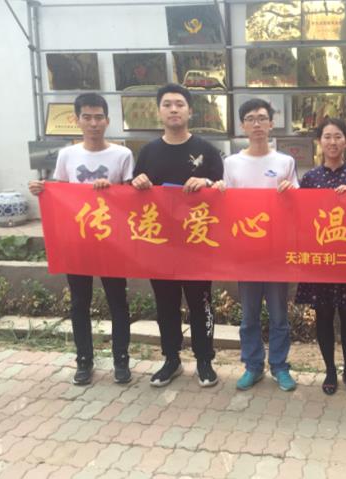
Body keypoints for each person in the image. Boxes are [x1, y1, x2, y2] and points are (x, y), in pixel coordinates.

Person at [29, 93, 133, 385]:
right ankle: (84, 360)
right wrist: (43, 189)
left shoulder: (122, 155)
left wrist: (112, 189)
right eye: (87, 117)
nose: (93, 123)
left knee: (118, 301)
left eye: (99, 117)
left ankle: (121, 359)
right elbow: (61, 193)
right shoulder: (67, 155)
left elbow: (131, 198)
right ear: (77, 120)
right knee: (79, 302)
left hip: (112, 242)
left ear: (107, 120)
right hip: (78, 241)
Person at [131, 83, 223, 388]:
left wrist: (207, 182)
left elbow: (224, 190)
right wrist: (136, 182)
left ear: (190, 111)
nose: (173, 109)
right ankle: (171, 359)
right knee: (166, 305)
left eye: (179, 104)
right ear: (159, 111)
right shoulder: (148, 152)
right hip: (161, 245)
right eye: (167, 104)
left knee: (201, 304)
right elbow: (134, 192)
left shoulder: (207, 150)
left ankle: (205, 361)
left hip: (198, 244)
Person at [215, 98, 298, 392]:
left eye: (262, 118)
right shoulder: (231, 163)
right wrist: (219, 190)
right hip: (246, 253)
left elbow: (297, 204)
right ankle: (252, 366)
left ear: (272, 123)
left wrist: (290, 190)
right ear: (242, 126)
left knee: (279, 315)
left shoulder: (285, 162)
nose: (257, 124)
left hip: (275, 252)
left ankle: (279, 367)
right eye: (250, 119)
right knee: (249, 316)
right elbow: (224, 205)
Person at [294, 118, 346, 395]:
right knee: (324, 316)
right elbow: (302, 217)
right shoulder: (310, 178)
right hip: (321, 260)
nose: (332, 142)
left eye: (338, 136)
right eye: (327, 136)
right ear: (319, 141)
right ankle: (329, 370)